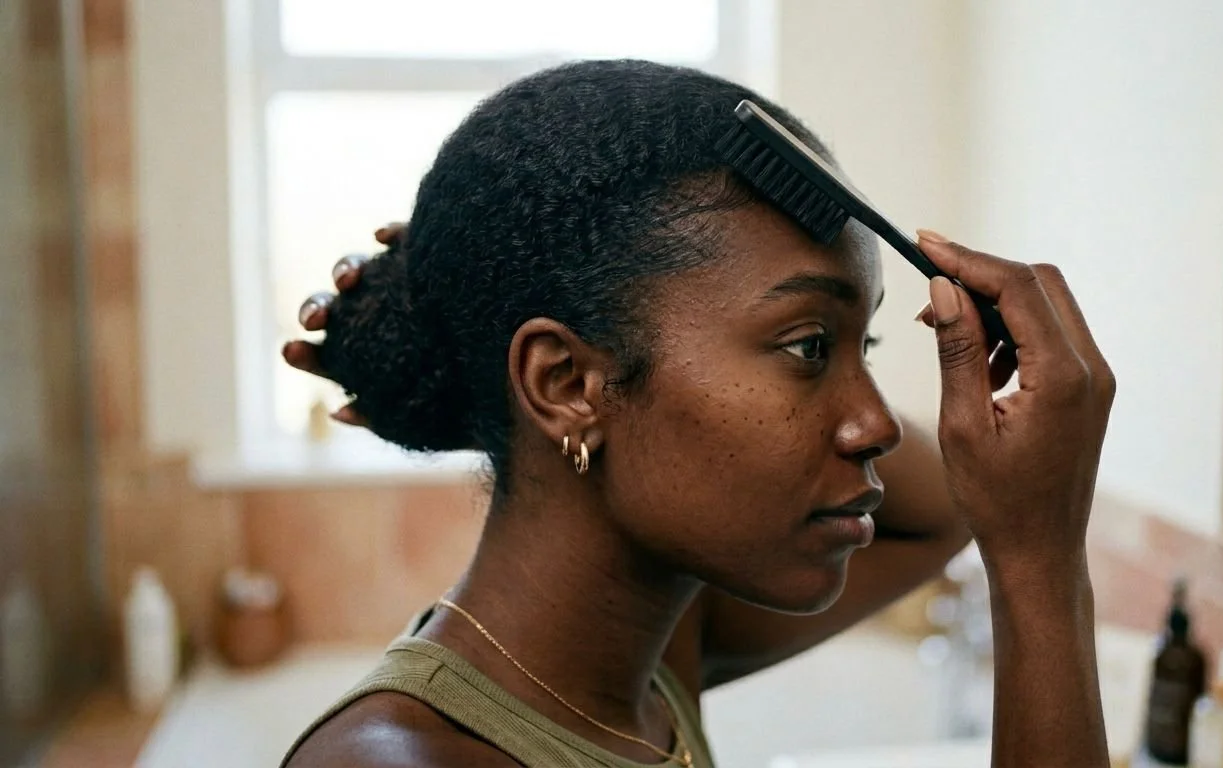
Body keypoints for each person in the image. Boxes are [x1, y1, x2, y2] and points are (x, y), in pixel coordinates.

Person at [280, 60, 1115, 767]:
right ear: (563, 381)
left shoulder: (646, 660)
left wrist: (489, 361)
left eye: (862, 345)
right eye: (807, 346)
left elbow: (940, 513)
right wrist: (1039, 562)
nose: (877, 425)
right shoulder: (400, 763)